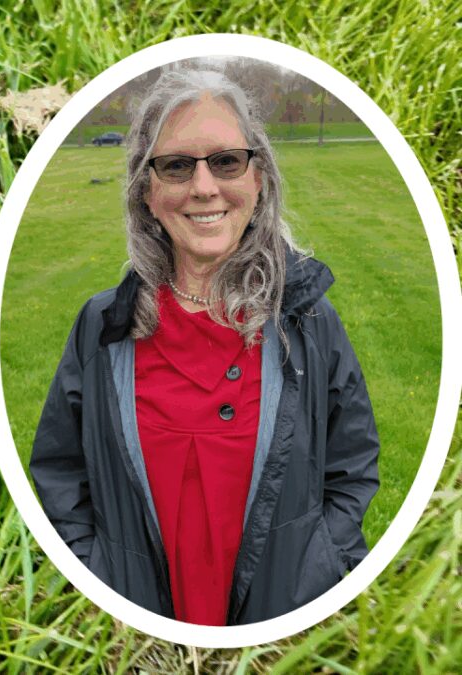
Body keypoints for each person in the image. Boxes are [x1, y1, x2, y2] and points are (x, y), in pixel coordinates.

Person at [29, 63, 380, 625]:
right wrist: (93, 578)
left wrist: (322, 569)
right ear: (147, 190)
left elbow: (353, 464)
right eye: (175, 166)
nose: (203, 187)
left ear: (258, 177)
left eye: (226, 161)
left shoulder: (308, 319)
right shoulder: (102, 325)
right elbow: (59, 471)